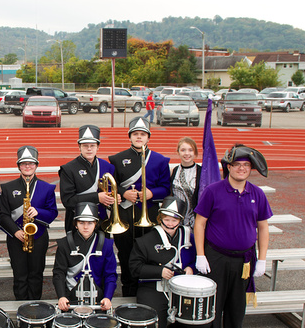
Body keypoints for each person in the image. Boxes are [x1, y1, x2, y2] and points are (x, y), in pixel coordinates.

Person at [194, 144, 272, 328]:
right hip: (215, 256)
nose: (241, 169)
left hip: (244, 259)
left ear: (251, 169)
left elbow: (263, 227)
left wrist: (262, 259)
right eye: (236, 165)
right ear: (228, 167)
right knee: (214, 302)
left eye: (246, 165)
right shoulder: (213, 191)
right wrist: (201, 254)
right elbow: (200, 224)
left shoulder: (257, 193)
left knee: (237, 304)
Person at [108, 117, 171, 297]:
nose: (139, 137)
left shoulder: (159, 160)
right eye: (135, 134)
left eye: (142, 134)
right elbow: (111, 183)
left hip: (149, 215)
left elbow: (166, 188)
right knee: (126, 254)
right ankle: (128, 291)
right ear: (130, 137)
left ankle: (148, 293)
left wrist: (152, 193)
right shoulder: (117, 159)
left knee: (149, 254)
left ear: (148, 137)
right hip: (125, 214)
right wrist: (123, 192)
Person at [52, 202, 118, 328]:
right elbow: (59, 273)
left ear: (96, 223)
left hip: (98, 293)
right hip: (71, 292)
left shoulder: (106, 244)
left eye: (90, 222)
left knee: (101, 317)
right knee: (69, 319)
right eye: (81, 222)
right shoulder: (64, 243)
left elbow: (110, 274)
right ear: (75, 224)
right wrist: (61, 296)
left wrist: (108, 297)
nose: (86, 227)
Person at [130, 197, 196, 328]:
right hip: (154, 286)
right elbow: (134, 268)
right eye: (166, 219)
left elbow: (198, 259)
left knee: (198, 323)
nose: (170, 224)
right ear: (160, 218)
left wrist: (191, 268)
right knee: (154, 326)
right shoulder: (146, 240)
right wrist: (160, 271)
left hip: (183, 287)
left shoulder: (189, 237)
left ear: (180, 220)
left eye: (175, 220)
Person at [0, 145, 58, 300]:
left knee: (36, 275)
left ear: (36, 165)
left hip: (38, 238)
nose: (27, 166)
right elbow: (3, 215)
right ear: (19, 166)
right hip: (15, 238)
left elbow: (52, 213)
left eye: (31, 163)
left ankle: (35, 308)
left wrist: (39, 212)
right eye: (24, 164)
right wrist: (15, 231)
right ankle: (20, 309)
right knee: (19, 276)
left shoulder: (47, 188)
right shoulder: (7, 187)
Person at [58, 125, 116, 233]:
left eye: (92, 145)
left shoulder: (107, 167)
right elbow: (68, 201)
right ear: (79, 147)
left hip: (101, 221)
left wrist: (114, 198)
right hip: (77, 222)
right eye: (85, 146)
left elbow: (111, 190)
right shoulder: (68, 169)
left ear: (98, 147)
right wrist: (97, 197)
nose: (89, 149)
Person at [170, 137, 201, 227]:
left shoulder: (201, 172)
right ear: (178, 152)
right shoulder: (175, 170)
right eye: (183, 150)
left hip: (195, 220)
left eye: (190, 150)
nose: (187, 153)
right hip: (177, 219)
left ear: (195, 153)